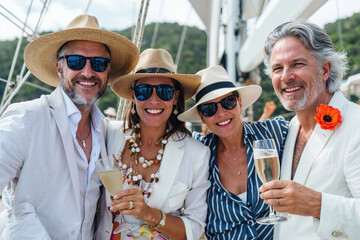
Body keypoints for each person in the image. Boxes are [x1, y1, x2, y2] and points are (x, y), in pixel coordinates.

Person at [0, 14, 139, 239]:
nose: (88, 72)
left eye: (99, 63)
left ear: (107, 72)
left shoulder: (105, 132)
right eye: (75, 61)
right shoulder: (27, 118)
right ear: (59, 68)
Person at [96, 48, 210, 240]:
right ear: (133, 96)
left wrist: (148, 213)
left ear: (174, 97)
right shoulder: (108, 134)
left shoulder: (197, 154)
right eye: (144, 91)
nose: (154, 100)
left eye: (164, 92)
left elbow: (195, 228)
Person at [260, 21, 360, 239]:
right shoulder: (291, 128)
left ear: (325, 70)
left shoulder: (356, 126)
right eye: (278, 68)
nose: (286, 77)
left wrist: (318, 205)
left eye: (297, 64)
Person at [178, 65, 288, 239]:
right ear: (202, 117)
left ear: (240, 103)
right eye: (209, 109)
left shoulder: (275, 132)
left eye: (228, 102)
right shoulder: (199, 154)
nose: (221, 113)